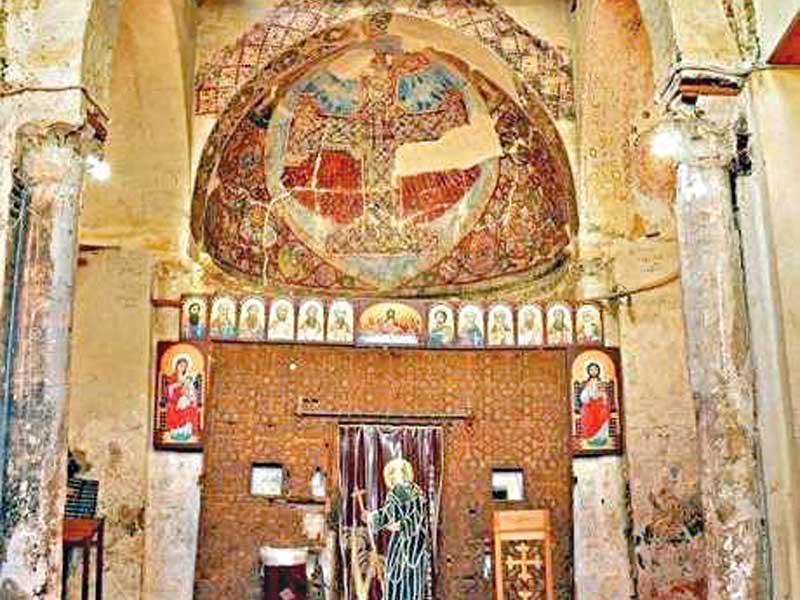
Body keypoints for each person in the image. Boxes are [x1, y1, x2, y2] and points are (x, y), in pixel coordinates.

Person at [365, 458, 431, 600]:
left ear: (404, 474)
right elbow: (389, 514)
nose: (395, 477)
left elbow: (415, 516)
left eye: (397, 473)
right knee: (399, 578)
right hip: (404, 543)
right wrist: (373, 518)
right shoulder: (403, 493)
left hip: (411, 544)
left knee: (406, 580)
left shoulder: (409, 493)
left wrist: (400, 525)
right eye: (393, 474)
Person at [574, 362, 613, 448]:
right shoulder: (585, 383)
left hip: (600, 405)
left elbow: (605, 396)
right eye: (591, 370)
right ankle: (591, 439)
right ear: (588, 371)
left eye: (595, 369)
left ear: (598, 371)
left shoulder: (601, 382)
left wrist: (602, 397)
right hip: (589, 406)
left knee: (603, 412)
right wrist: (588, 393)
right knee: (587, 414)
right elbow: (583, 397)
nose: (593, 371)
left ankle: (601, 439)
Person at [163, 358, 201, 442]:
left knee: (191, 408)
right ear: (176, 366)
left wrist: (190, 396)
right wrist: (174, 386)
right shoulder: (172, 377)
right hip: (174, 400)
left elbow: (190, 388)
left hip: (185, 399)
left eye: (184, 366)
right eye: (181, 365)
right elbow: (168, 390)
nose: (182, 368)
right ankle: (176, 433)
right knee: (172, 407)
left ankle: (186, 433)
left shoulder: (186, 377)